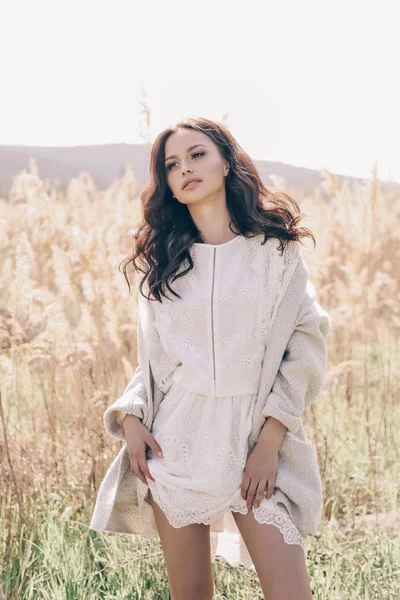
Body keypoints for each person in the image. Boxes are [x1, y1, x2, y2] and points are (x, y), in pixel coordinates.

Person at [90, 116, 331, 600]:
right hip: (177, 442)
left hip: (254, 443)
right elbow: (156, 362)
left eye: (197, 154)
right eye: (172, 164)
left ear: (226, 162)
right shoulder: (163, 266)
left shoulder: (276, 255)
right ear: (168, 186)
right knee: (192, 593)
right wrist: (132, 416)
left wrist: (269, 442)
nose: (186, 169)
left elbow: (305, 349)